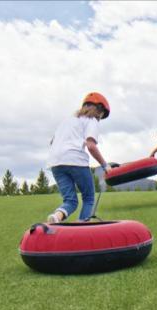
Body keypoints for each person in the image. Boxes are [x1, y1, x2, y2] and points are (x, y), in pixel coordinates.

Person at [46, 92, 111, 223]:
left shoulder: (67, 121)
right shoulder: (91, 120)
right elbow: (91, 146)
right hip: (75, 160)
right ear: (99, 109)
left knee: (70, 201)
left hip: (56, 162)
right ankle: (82, 229)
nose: (100, 118)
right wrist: (105, 165)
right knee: (88, 198)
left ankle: (56, 217)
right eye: (102, 114)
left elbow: (52, 142)